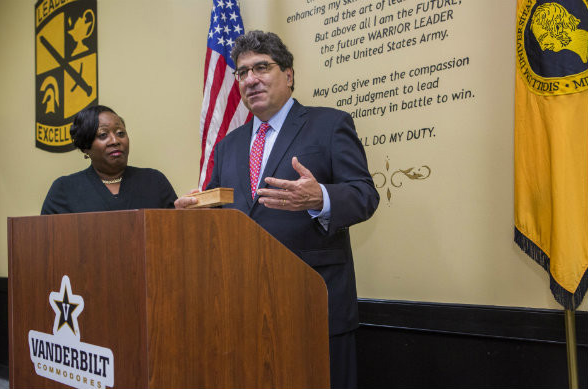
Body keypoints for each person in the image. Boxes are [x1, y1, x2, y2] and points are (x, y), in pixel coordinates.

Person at [176, 31, 379, 389]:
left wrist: (321, 198)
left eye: (261, 68)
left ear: (288, 74)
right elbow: (220, 210)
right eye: (242, 72)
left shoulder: (329, 124)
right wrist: (196, 213)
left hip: (314, 306)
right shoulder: (228, 145)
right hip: (245, 307)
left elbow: (364, 195)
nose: (250, 79)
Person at [41, 105, 177, 214]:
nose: (115, 140)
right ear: (85, 146)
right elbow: (48, 241)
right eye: (103, 135)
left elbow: (177, 231)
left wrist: (184, 211)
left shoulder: (154, 181)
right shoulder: (64, 189)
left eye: (120, 133)